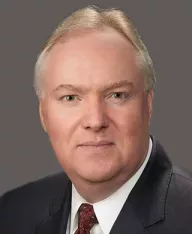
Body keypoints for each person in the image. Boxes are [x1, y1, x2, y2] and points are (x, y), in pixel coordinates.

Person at [0, 5, 192, 234]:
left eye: (117, 95)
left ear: (148, 104)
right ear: (43, 114)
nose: (95, 120)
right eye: (70, 97)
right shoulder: (12, 212)